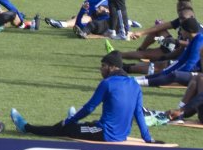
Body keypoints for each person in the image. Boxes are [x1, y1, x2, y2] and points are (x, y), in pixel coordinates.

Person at [11, 51, 155, 144]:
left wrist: (68, 121)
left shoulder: (108, 83)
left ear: (112, 67)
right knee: (87, 124)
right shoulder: (135, 85)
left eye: (103, 65)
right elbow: (139, 114)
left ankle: (26, 127)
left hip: (105, 134)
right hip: (121, 135)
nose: (100, 69)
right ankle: (75, 123)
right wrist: (148, 139)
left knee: (61, 128)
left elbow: (89, 107)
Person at [136, 17, 203, 89]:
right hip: (200, 72)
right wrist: (165, 72)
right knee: (168, 72)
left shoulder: (199, 42)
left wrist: (175, 74)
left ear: (188, 31)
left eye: (181, 30)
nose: (180, 33)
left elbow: (190, 64)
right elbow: (180, 61)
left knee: (176, 75)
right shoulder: (194, 40)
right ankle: (138, 79)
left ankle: (139, 83)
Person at [45, 0, 110, 37]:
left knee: (86, 18)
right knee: (78, 18)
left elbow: (104, 6)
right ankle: (61, 23)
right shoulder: (86, 1)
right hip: (93, 22)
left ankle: (61, 24)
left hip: (105, 22)